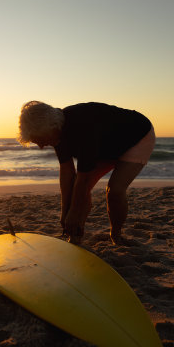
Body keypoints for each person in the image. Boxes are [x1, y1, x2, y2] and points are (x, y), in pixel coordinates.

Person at [18, 101, 155, 244]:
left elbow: (83, 180)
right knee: (75, 193)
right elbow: (67, 172)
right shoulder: (56, 133)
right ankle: (75, 237)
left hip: (137, 136)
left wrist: (74, 212)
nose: (40, 146)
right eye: (36, 142)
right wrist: (65, 211)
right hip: (106, 146)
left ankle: (116, 235)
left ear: (52, 127)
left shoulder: (83, 128)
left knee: (114, 190)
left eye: (40, 140)